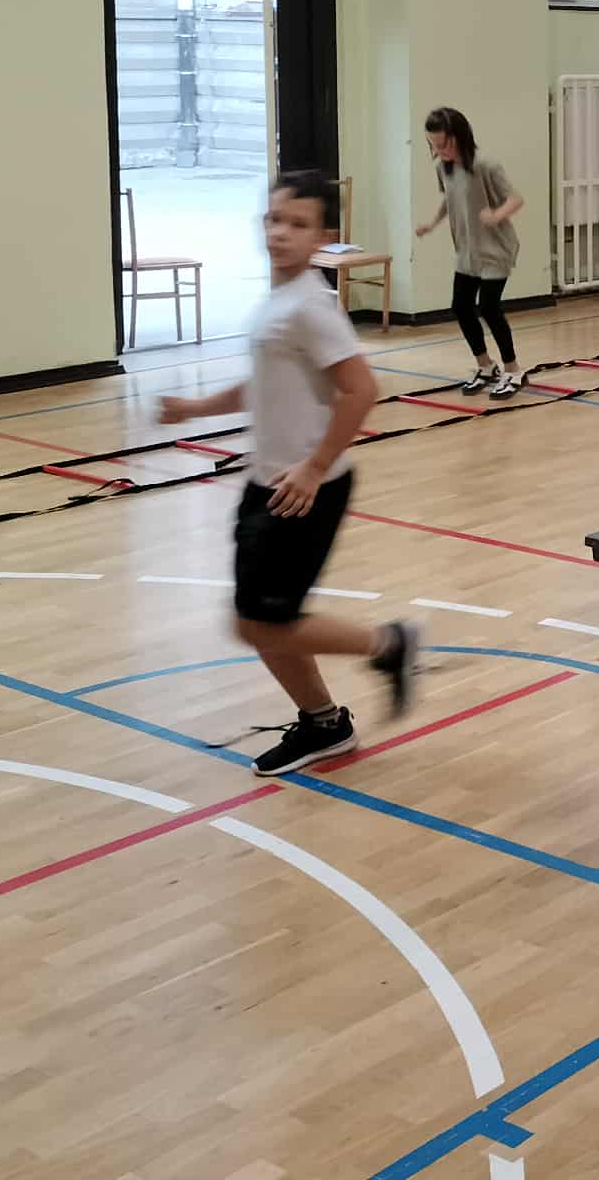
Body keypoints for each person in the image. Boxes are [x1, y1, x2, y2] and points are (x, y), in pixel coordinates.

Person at [161, 171, 420, 777]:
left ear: (324, 237)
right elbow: (263, 384)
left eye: (298, 224)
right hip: (269, 484)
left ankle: (389, 644)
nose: (281, 232)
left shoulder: (311, 305)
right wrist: (195, 409)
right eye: (275, 219)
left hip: (308, 492)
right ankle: (325, 724)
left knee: (258, 622)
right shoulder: (277, 301)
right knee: (260, 621)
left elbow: (361, 390)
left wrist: (314, 467)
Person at [414, 106, 526, 397]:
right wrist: (432, 223)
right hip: (467, 250)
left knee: (488, 307)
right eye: (433, 146)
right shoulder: (444, 167)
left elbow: (515, 199)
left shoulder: (486, 165)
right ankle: (485, 366)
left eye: (443, 144)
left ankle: (513, 370)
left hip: (495, 249)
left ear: (459, 136)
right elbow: (449, 199)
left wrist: (496, 216)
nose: (439, 151)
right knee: (461, 307)